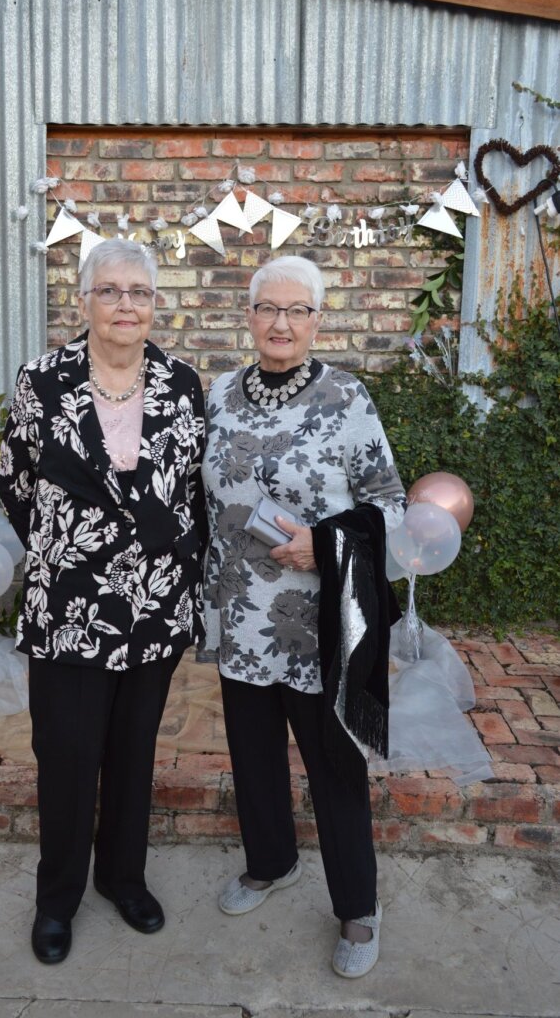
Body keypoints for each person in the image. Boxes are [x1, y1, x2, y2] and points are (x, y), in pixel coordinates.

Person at [0, 239, 207, 964]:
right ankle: (56, 900)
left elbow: (191, 491)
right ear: (82, 300)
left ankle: (123, 879)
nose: (125, 305)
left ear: (154, 304)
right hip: (69, 610)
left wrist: (166, 567)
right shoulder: (43, 380)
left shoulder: (182, 382)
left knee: (131, 754)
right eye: (110, 290)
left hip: (154, 608)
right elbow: (17, 481)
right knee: (66, 756)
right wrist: (70, 552)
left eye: (139, 292)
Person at [202, 255, 406, 979]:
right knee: (253, 756)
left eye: (298, 310)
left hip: (321, 624)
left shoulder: (347, 397)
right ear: (250, 315)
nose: (281, 323)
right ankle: (271, 862)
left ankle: (357, 907)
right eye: (268, 308)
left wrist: (324, 544)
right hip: (240, 616)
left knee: (334, 768)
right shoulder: (217, 396)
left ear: (318, 321)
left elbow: (390, 504)